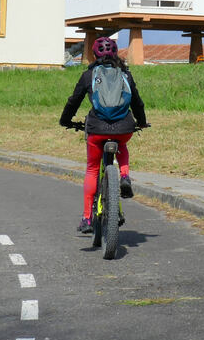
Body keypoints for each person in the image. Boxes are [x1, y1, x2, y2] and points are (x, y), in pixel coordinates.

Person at [59, 37, 149, 234]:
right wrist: (141, 122)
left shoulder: (88, 75)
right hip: (123, 129)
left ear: (94, 53)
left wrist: (65, 120)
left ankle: (87, 218)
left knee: (92, 169)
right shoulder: (125, 73)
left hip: (97, 129)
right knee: (122, 146)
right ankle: (124, 176)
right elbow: (137, 103)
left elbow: (73, 101)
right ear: (116, 53)